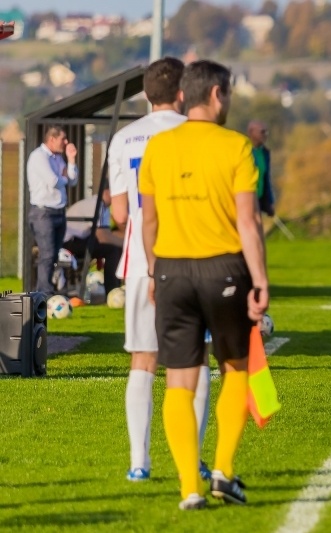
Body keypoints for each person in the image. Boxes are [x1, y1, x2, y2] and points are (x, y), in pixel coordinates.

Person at [140, 59, 268, 510]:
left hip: (171, 270)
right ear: (215, 94)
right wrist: (261, 281)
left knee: (179, 380)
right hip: (225, 270)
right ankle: (223, 472)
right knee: (236, 368)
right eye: (228, 93)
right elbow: (248, 223)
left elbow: (148, 220)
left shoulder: (158, 147)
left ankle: (188, 490)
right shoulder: (236, 148)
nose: (229, 101)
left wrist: (155, 271)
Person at [107, 57, 212, 484]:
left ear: (146, 94)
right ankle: (195, 459)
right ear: (183, 92)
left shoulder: (124, 138)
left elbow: (118, 212)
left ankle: (139, 462)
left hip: (140, 260)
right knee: (196, 359)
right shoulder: (199, 135)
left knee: (143, 360)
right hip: (192, 256)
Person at [26, 126, 78, 295]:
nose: (66, 142)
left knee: (54, 254)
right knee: (47, 254)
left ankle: (47, 289)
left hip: (58, 212)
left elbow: (73, 181)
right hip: (43, 213)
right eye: (63, 139)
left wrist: (71, 160)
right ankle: (43, 293)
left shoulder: (58, 158)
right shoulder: (38, 157)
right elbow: (54, 181)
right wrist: (63, 177)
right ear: (51, 139)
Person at [246, 120, 275, 217]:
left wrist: (269, 202)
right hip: (246, 199)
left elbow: (266, 179)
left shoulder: (265, 152)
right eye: (262, 132)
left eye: (267, 132)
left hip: (259, 199)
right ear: (251, 132)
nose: (266, 135)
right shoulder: (243, 151)